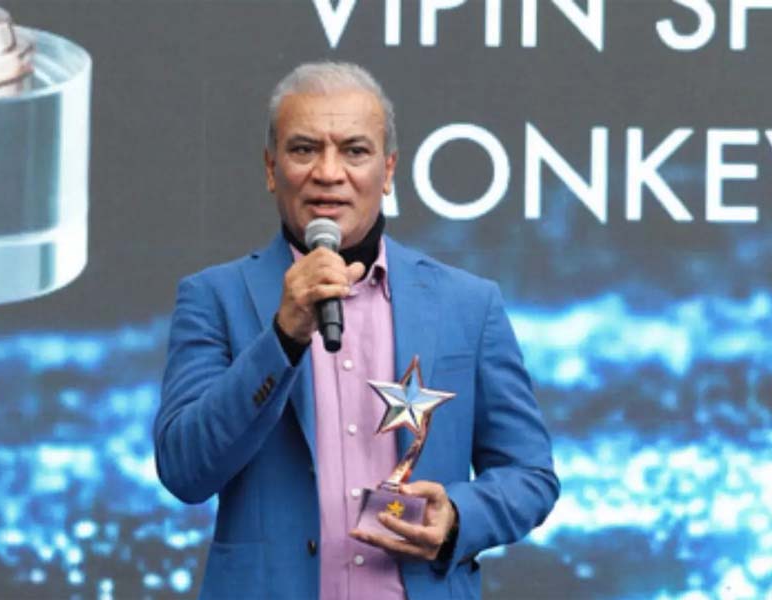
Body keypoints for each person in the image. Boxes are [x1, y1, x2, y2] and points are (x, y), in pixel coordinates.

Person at [154, 61, 559, 599]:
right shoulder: (214, 297)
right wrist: (282, 338)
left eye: (354, 151)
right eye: (304, 150)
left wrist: (459, 516)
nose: (328, 172)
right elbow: (185, 469)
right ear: (271, 169)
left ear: (388, 170)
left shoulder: (468, 304)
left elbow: (530, 475)